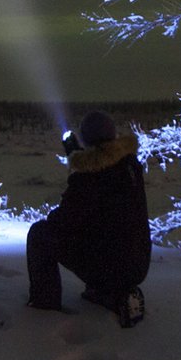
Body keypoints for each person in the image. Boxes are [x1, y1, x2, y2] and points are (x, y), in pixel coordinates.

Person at [26, 110, 150, 325]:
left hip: (109, 267)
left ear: (85, 139)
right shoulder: (130, 166)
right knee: (104, 235)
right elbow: (104, 174)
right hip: (138, 264)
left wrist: (78, 168)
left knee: (40, 234)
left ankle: (44, 306)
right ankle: (112, 294)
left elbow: (63, 221)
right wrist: (83, 161)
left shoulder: (87, 179)